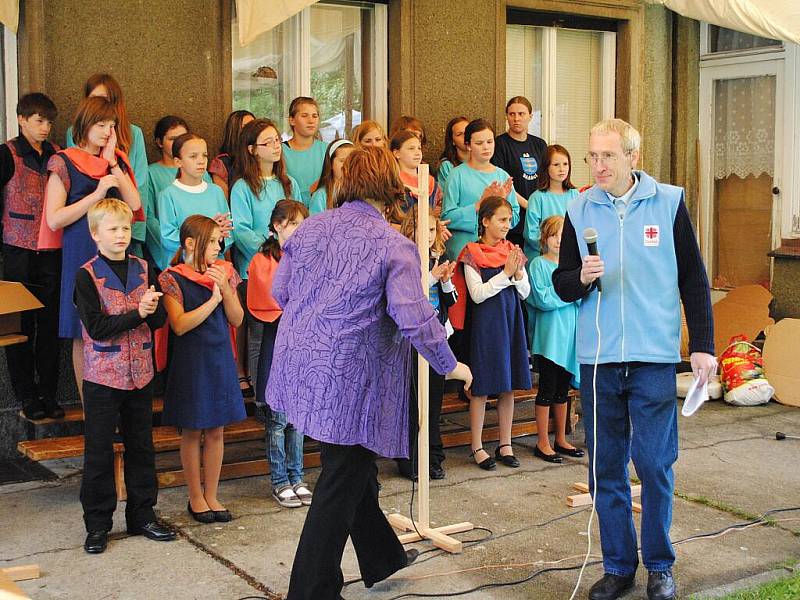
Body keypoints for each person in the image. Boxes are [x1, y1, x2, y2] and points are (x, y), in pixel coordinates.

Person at [265, 146, 472, 599]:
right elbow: (413, 316)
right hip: (350, 380)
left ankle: (381, 557)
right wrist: (450, 363)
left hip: (300, 365)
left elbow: (279, 289)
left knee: (350, 467)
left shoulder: (311, 227)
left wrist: (318, 320)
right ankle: (311, 589)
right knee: (342, 476)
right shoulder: (391, 245)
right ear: (391, 187)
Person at [553, 118, 715, 600]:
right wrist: (579, 277)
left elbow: (694, 279)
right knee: (604, 469)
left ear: (632, 158)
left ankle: (660, 566)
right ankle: (619, 567)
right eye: (592, 156)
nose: (598, 166)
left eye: (607, 156)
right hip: (599, 358)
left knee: (654, 463)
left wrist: (702, 344)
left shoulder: (668, 203)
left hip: (652, 357)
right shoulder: (578, 208)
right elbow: (561, 284)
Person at [74, 199, 175, 554]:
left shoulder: (145, 267)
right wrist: (138, 312)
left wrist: (154, 309)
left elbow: (161, 320)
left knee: (142, 447)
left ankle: (142, 515)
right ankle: (98, 525)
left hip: (141, 373)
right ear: (95, 234)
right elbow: (98, 327)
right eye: (113, 229)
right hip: (103, 376)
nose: (121, 235)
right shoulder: (86, 274)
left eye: (126, 228)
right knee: (98, 452)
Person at [45, 96, 143, 402]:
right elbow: (54, 218)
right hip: (80, 244)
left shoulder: (115, 160)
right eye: (101, 125)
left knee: (116, 315)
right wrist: (98, 193)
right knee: (81, 328)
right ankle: (91, 410)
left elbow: (136, 204)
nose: (106, 131)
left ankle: (116, 405)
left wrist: (112, 161)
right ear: (85, 125)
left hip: (113, 248)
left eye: (111, 125)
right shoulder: (63, 160)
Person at [159, 215, 246, 524]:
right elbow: (180, 325)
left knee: (216, 429)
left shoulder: (224, 272)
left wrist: (226, 290)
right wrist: (212, 300)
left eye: (219, 241)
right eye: (211, 242)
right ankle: (195, 497)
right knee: (192, 429)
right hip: (191, 360)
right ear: (190, 244)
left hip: (220, 356)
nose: (218, 247)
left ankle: (212, 493)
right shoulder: (171, 277)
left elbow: (237, 319)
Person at [450, 196, 530, 470]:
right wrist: (506, 274)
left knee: (507, 386)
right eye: (502, 219)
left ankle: (505, 443)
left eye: (509, 220)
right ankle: (477, 445)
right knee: (481, 386)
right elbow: (477, 294)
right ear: (485, 221)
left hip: (510, 321)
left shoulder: (513, 251)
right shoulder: (472, 253)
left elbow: (525, 292)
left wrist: (517, 276)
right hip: (485, 325)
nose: (508, 225)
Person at [0, 92, 64, 419]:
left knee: (50, 325)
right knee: (21, 327)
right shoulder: (6, 154)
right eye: (39, 120)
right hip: (16, 253)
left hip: (52, 253)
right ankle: (27, 396)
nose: (45, 128)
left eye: (49, 121)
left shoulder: (57, 155)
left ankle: (50, 395)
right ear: (22, 119)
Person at [248, 199, 311, 507]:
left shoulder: (309, 256)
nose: (299, 229)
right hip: (277, 338)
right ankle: (279, 479)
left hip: (302, 340)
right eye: (294, 223)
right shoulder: (262, 260)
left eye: (302, 223)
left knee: (297, 419)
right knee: (277, 420)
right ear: (277, 225)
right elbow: (265, 302)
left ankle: (298, 476)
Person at [231, 118, 301, 394]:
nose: (275, 146)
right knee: (260, 335)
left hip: (289, 268)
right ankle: (262, 395)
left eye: (276, 140)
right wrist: (273, 243)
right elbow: (241, 230)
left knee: (288, 333)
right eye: (267, 142)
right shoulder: (243, 187)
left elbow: (299, 219)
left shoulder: (289, 182)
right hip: (257, 269)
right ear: (252, 149)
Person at [395, 205, 457, 481]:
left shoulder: (438, 256)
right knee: (412, 400)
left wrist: (444, 281)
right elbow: (409, 295)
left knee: (433, 400)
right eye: (424, 229)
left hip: (435, 333)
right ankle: (409, 459)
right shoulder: (405, 257)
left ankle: (433, 455)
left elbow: (449, 301)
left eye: (433, 229)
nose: (429, 235)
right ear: (412, 228)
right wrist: (432, 276)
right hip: (411, 338)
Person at [66, 74, 149, 257]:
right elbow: (77, 177)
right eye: (93, 99)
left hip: (125, 221)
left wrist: (134, 229)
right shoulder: (73, 135)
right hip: (86, 224)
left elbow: (140, 185)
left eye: (105, 100)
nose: (100, 105)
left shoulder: (133, 133)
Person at [527, 215, 582, 463]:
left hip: (570, 337)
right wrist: (568, 294)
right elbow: (542, 298)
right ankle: (542, 441)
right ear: (544, 238)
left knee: (563, 390)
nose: (559, 241)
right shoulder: (538, 265)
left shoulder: (572, 266)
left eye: (563, 236)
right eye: (553, 236)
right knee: (547, 389)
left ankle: (560, 437)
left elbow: (582, 294)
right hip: (550, 338)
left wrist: (569, 293)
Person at [441, 118, 518, 261]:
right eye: (479, 143)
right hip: (463, 252)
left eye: (489, 142)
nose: (486, 147)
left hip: (495, 254)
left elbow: (515, 219)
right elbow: (447, 217)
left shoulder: (502, 176)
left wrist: (501, 202)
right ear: (468, 145)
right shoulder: (456, 175)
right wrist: (479, 204)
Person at [156, 133, 233, 271]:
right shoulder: (168, 195)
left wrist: (219, 238)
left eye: (204, 155)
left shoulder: (216, 192)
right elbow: (168, 238)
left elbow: (228, 233)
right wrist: (209, 235)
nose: (201, 161)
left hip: (214, 268)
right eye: (193, 156)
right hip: (184, 270)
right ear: (178, 162)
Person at [143, 115, 212, 269]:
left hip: (207, 255)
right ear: (159, 142)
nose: (179, 143)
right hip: (173, 253)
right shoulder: (151, 173)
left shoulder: (203, 174)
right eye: (172, 139)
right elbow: (150, 219)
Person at [491, 96, 548, 248]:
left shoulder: (539, 145)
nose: (516, 118)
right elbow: (503, 182)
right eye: (512, 114)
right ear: (506, 117)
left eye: (521, 114)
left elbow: (547, 179)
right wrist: (528, 205)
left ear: (530, 116)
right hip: (514, 218)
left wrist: (538, 207)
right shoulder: (499, 144)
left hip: (537, 218)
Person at [524, 144, 578, 263]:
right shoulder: (537, 198)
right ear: (546, 167)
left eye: (565, 164)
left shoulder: (575, 195)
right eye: (556, 165)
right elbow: (531, 234)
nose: (562, 169)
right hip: (542, 259)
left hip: (568, 258)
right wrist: (553, 249)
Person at [282, 97, 326, 205]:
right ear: (292, 120)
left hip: (323, 214)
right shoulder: (280, 151)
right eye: (304, 116)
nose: (311, 121)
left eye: (314, 116)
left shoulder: (327, 150)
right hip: (291, 214)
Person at [208, 109, 255, 200]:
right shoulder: (222, 163)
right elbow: (223, 203)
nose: (252, 131)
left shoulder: (260, 157)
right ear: (234, 131)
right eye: (246, 127)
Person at [391, 130, 441, 212]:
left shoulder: (430, 182)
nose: (417, 153)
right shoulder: (393, 182)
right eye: (411, 148)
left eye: (419, 148)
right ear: (397, 153)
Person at [309, 139, 353, 214]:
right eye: (342, 161)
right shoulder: (321, 195)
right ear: (330, 164)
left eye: (351, 160)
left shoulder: (361, 192)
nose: (347, 165)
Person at [437, 116, 469, 196]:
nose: (465, 137)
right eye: (459, 134)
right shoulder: (447, 166)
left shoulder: (482, 161)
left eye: (467, 132)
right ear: (452, 141)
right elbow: (448, 196)